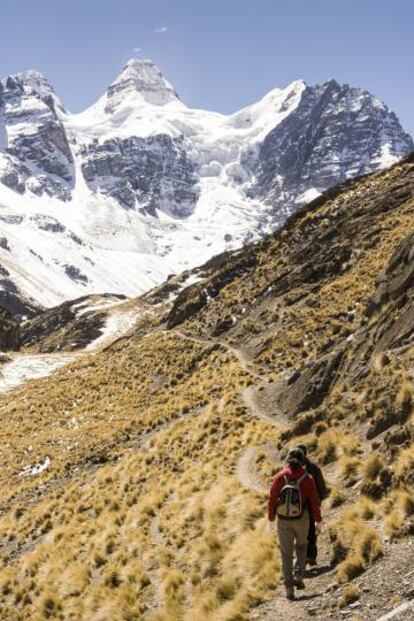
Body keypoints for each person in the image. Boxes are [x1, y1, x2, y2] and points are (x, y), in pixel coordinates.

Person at [268, 448, 322, 600]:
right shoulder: (308, 478)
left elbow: (272, 498)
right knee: (302, 545)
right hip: (302, 519)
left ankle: (289, 590)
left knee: (286, 553)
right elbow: (314, 502)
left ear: (288, 460)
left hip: (283, 520)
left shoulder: (280, 477)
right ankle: (299, 574)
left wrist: (271, 518)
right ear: (302, 461)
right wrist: (318, 521)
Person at [296, 443, 329, 566]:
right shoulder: (314, 468)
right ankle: (312, 557)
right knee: (312, 531)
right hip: (312, 505)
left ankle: (302, 557)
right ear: (306, 453)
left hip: (297, 507)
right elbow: (322, 489)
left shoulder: (290, 469)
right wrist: (320, 500)